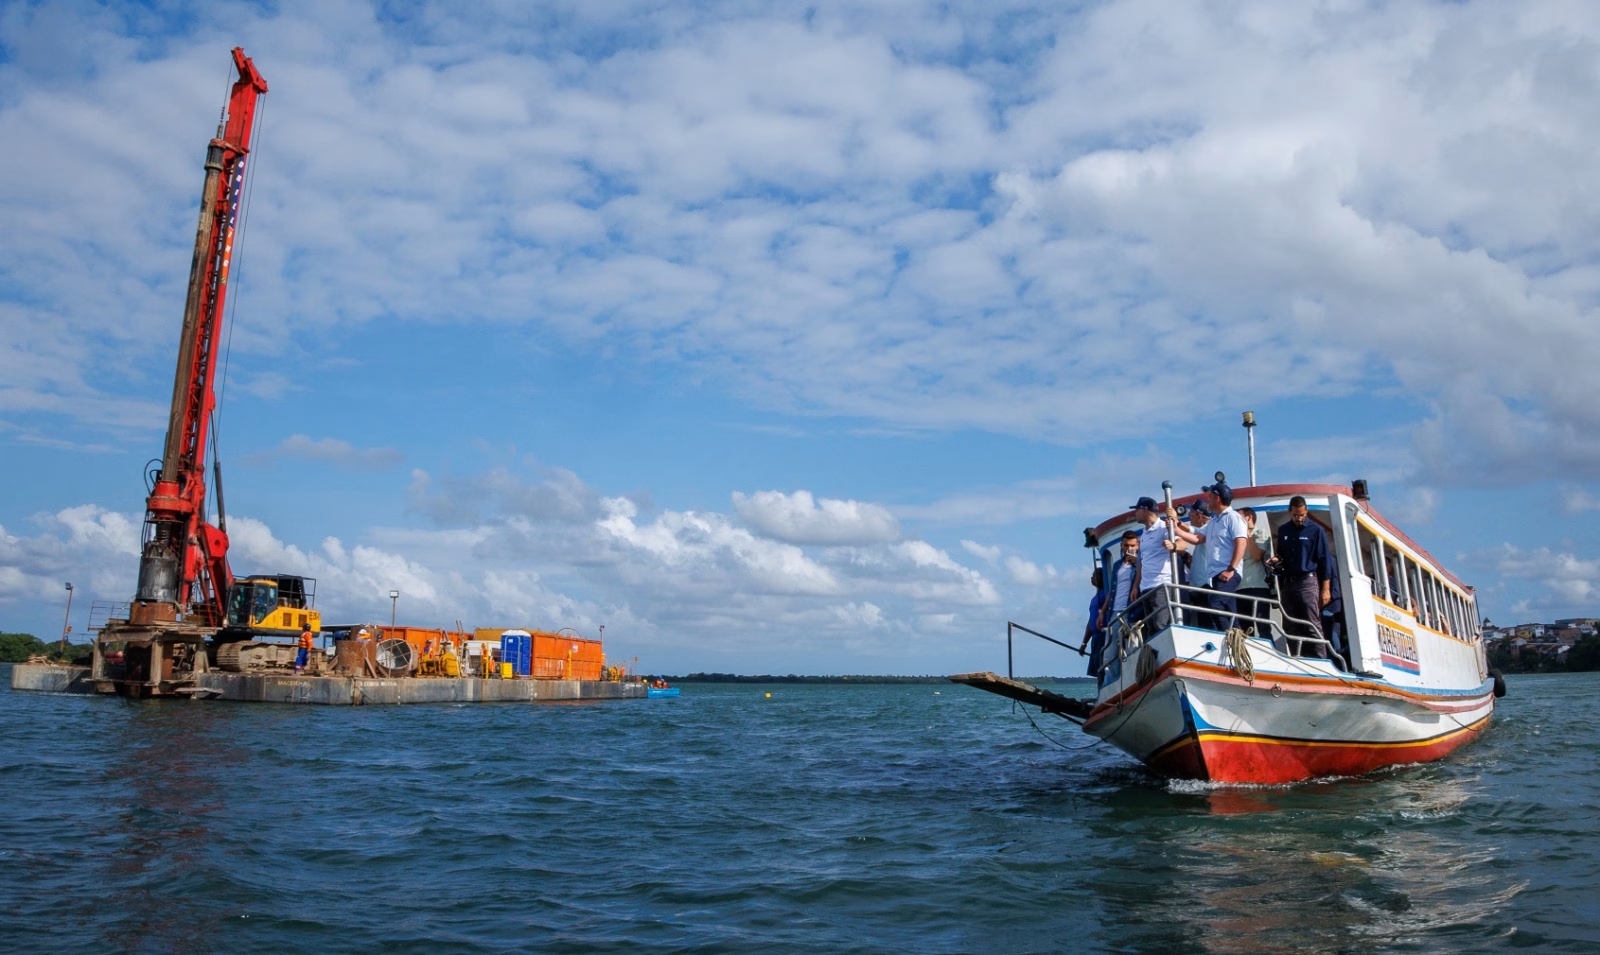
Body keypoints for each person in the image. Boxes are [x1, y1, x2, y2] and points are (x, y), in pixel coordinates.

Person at [1169, 482, 1248, 631]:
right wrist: (1175, 529)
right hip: (1216, 574)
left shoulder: (1233, 518)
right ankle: (1237, 636)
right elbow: (1197, 539)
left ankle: (1228, 637)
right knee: (1229, 610)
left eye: (1210, 497)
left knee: (1214, 605)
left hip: (1228, 572)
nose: (1208, 501)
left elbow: (1241, 543)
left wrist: (1231, 569)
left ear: (1217, 498)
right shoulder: (1213, 522)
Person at [1269, 495, 1333, 655]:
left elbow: (1325, 560)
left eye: (1302, 515)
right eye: (1296, 515)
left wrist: (1326, 589)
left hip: (1308, 581)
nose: (1299, 518)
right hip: (1289, 582)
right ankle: (1296, 657)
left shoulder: (1316, 530)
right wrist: (1275, 560)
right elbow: (1281, 555)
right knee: (1289, 624)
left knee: (1312, 623)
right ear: (1290, 512)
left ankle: (1321, 660)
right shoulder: (1284, 530)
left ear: (1306, 512)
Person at [1131, 495, 1179, 631]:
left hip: (1161, 584)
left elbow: (1182, 544)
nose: (1135, 513)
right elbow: (1141, 561)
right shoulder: (1144, 534)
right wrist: (1136, 586)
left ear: (1145, 510)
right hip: (1146, 586)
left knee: (1161, 625)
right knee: (1151, 628)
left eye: (1137, 510)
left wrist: (1173, 546)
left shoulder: (1164, 527)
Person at [1236, 507, 1273, 634]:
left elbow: (1257, 556)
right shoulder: (1236, 538)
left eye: (1238, 517)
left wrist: (1247, 534)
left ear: (1249, 517)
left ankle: (1269, 653)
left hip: (1257, 586)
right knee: (1245, 630)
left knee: (1263, 627)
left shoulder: (1260, 533)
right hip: (1239, 587)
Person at [1099, 531, 1140, 633]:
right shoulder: (1117, 565)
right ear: (1121, 546)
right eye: (1126, 545)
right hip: (1114, 611)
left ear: (1137, 546)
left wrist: (1137, 563)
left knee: (1132, 647)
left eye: (1132, 545)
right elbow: (1112, 590)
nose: (1129, 549)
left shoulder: (1142, 563)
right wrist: (1103, 612)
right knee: (1110, 648)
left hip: (1131, 611)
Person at [1078, 568, 1108, 679]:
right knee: (1097, 669)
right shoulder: (1094, 599)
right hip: (1095, 639)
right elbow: (1090, 622)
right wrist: (1084, 643)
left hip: (1104, 636)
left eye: (1095, 575)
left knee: (1103, 667)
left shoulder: (1107, 595)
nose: (1092, 578)